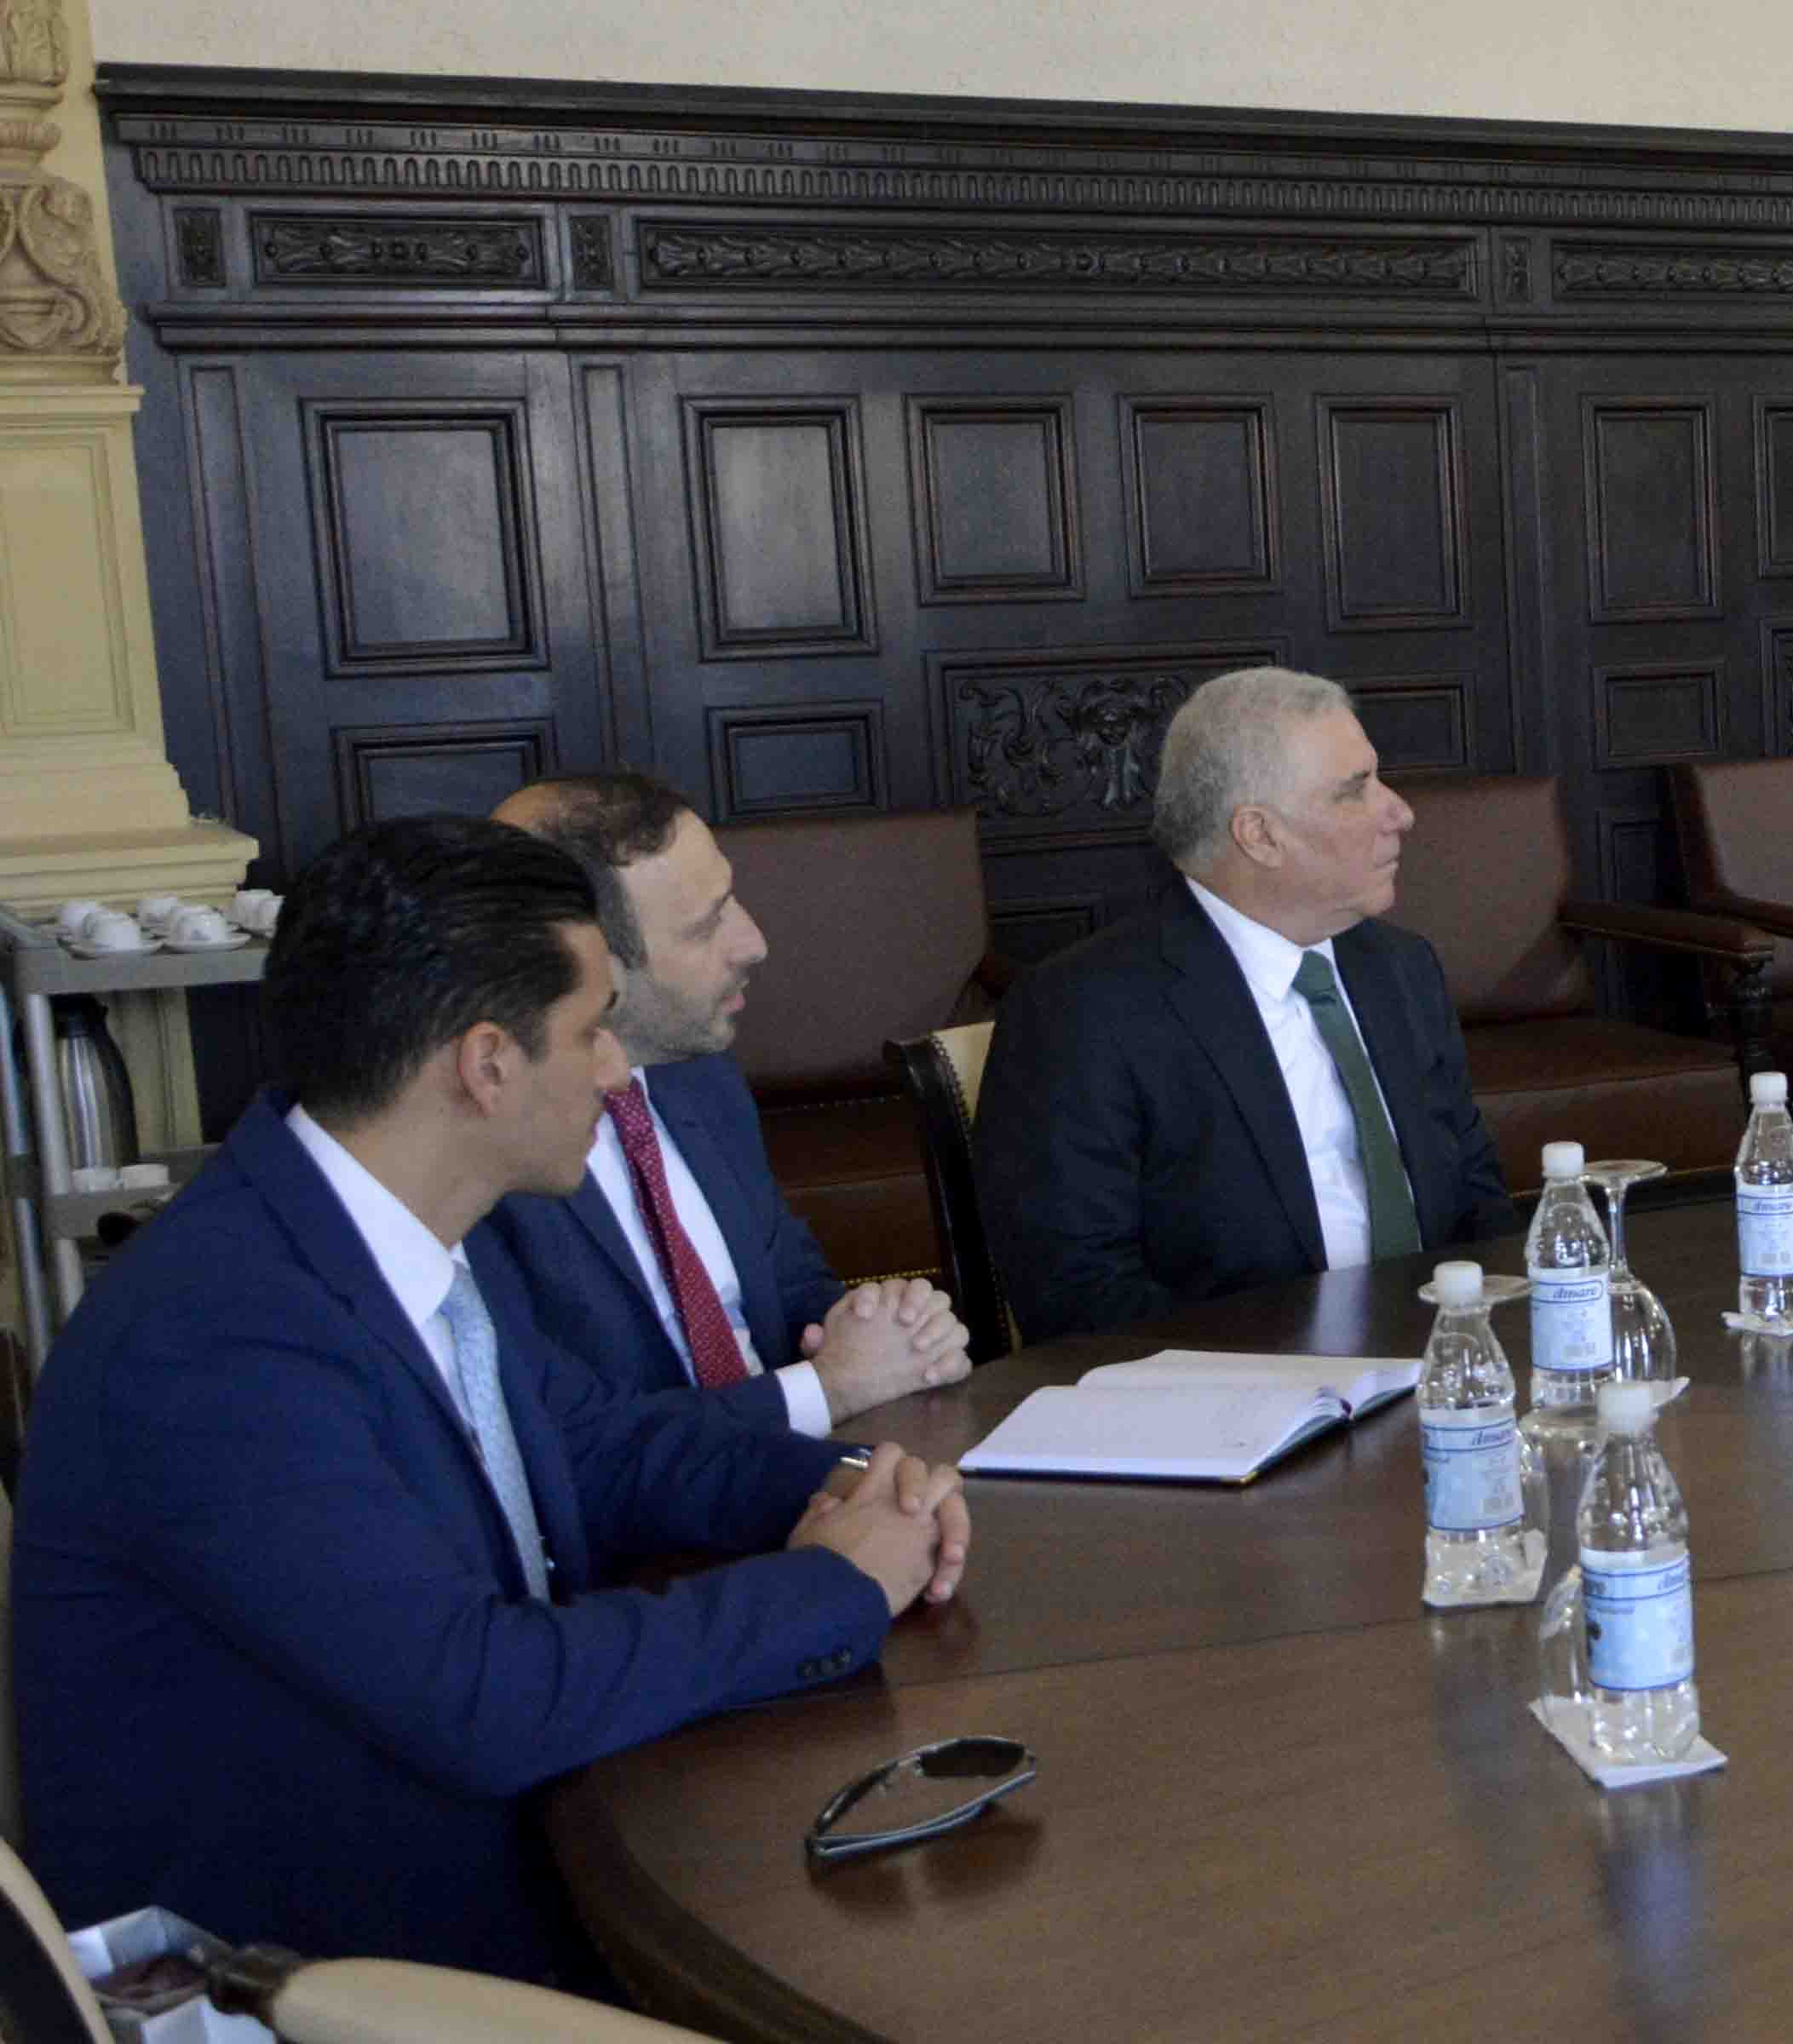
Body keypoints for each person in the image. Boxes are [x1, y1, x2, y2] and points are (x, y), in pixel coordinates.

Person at [10, 818, 969, 1982]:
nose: (620, 1072)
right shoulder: (216, 1339)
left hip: (495, 1859)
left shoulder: (373, 1230)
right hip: (335, 1967)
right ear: (486, 1065)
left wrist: (848, 1483)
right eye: (594, 1031)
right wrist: (832, 1585)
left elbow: (591, 1453)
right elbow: (485, 1697)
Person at [978, 667, 1508, 1342]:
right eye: (1356, 791)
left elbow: (1475, 1192)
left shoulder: (1400, 969)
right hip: (1240, 1408)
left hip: (1446, 1370)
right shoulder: (1082, 1014)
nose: (1400, 812)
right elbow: (1077, 1294)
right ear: (1259, 835)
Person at [472, 772, 970, 1430]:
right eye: (706, 926)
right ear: (589, 962)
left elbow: (787, 1280)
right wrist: (828, 1388)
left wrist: (879, 1328)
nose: (753, 943)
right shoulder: (490, 1155)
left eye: (730, 898)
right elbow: (582, 1448)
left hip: (804, 1473)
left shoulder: (696, 1070)